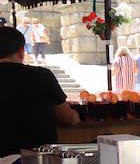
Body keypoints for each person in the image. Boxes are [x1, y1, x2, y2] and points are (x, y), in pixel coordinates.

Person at [0, 25, 80, 156]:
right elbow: (65, 115)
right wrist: (74, 116)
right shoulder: (42, 75)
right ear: (21, 51)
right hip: (39, 159)